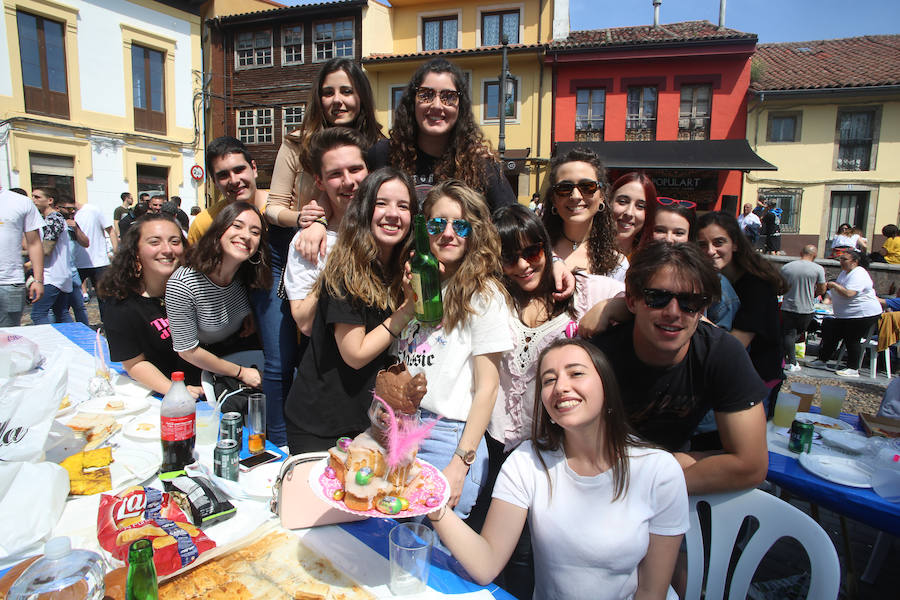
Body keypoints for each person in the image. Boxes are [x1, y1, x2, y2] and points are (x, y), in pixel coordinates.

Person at [427, 338, 688, 599]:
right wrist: (429, 499)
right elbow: (486, 563)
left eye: (576, 373)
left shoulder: (659, 471)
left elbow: (652, 592)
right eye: (549, 380)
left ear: (607, 385)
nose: (561, 387)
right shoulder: (527, 461)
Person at [483, 204, 625, 598]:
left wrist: (608, 307)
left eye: (533, 252)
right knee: (490, 544)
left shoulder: (581, 291)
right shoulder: (495, 296)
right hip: (493, 443)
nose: (523, 265)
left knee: (534, 553)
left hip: (549, 450)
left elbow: (638, 294)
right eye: (509, 257)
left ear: (547, 248)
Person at [590, 242, 768, 494]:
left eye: (690, 301)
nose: (673, 312)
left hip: (653, 485)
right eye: (657, 298)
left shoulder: (720, 353)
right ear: (631, 300)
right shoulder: (598, 357)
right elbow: (576, 451)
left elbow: (751, 465)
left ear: (702, 309)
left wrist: (649, 479)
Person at [396, 180, 513, 518]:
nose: (447, 233)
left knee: (430, 557)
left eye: (459, 224)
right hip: (406, 430)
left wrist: (460, 464)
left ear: (473, 231)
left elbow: (487, 389)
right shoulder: (421, 282)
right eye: (437, 223)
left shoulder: (484, 294)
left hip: (448, 437)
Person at [284, 168, 418, 454]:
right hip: (320, 424)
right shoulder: (346, 268)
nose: (393, 213)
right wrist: (407, 311)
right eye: (381, 203)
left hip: (366, 422)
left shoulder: (402, 269)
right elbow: (354, 354)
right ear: (365, 209)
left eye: (403, 206)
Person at [369, 58, 516, 211]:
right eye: (426, 94)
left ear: (461, 107)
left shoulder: (480, 166)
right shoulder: (384, 155)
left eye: (449, 96)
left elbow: (515, 224)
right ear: (412, 102)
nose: (437, 105)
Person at [269, 58, 383, 236]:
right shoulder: (297, 143)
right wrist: (303, 218)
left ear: (362, 96)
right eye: (328, 93)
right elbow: (273, 207)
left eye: (347, 91)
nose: (337, 100)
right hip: (301, 242)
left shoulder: (378, 146)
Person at [165, 202, 270, 390]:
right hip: (200, 371)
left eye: (255, 232)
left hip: (241, 355)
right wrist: (241, 372)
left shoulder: (246, 275)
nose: (246, 236)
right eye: (237, 226)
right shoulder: (183, 283)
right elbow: (188, 351)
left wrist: (249, 316)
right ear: (219, 230)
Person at [98, 214, 202, 397]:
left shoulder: (197, 287)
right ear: (136, 251)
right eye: (155, 242)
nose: (167, 249)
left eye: (175, 241)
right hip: (167, 396)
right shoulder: (121, 304)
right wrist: (176, 391)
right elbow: (134, 364)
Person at [283, 128, 371, 334]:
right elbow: (305, 324)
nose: (348, 181)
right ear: (320, 182)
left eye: (355, 169)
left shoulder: (387, 225)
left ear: (369, 171)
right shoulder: (306, 242)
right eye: (336, 174)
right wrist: (336, 266)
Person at [697, 212, 786, 412]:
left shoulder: (757, 285)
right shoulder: (715, 280)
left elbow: (736, 344)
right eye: (702, 244)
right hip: (732, 376)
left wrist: (694, 319)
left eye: (719, 242)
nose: (710, 251)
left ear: (735, 244)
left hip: (756, 380)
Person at [542, 148, 627, 281]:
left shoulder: (618, 265)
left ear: (602, 196)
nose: (575, 196)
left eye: (587, 186)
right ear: (553, 198)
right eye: (564, 188)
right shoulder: (535, 253)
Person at [809, 250, 882, 377]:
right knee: (832, 335)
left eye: (845, 259)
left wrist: (834, 285)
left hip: (861, 313)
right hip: (845, 315)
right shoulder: (845, 273)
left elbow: (849, 293)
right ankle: (822, 360)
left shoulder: (859, 273)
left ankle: (853, 368)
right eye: (840, 259)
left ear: (855, 262)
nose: (841, 262)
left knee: (852, 339)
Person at [188, 137, 267, 244]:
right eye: (223, 175)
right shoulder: (203, 225)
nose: (234, 181)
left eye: (239, 170)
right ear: (215, 182)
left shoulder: (286, 207)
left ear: (254, 168)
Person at [30, 187, 74, 325]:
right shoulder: (52, 219)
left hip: (52, 276)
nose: (33, 200)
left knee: (38, 314)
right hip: (59, 274)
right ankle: (72, 342)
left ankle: (47, 344)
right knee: (61, 312)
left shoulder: (53, 219)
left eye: (37, 197)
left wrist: (26, 258)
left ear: (50, 200)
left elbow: (46, 249)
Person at [0, 187, 43, 326]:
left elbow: (34, 242)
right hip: (11, 283)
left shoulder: (21, 202)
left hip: (10, 282)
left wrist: (38, 280)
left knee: (8, 337)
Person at [780, 245, 826, 373]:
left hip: (788, 306)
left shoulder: (786, 267)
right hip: (807, 308)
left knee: (789, 334)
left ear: (801, 253)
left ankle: (786, 357)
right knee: (797, 334)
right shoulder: (818, 269)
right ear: (815, 255)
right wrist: (814, 294)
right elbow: (822, 289)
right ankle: (792, 361)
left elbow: (780, 286)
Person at [73, 198, 116, 314]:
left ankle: (108, 327)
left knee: (105, 299)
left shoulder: (93, 210)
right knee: (72, 300)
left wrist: (117, 254)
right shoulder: (61, 217)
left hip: (99, 262)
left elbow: (111, 231)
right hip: (75, 263)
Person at [55, 196, 91, 325]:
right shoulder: (52, 223)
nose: (72, 212)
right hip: (56, 271)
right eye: (69, 209)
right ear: (58, 208)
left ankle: (85, 331)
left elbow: (86, 243)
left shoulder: (72, 225)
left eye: (74, 209)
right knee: (59, 308)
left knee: (79, 306)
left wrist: (76, 228)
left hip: (72, 270)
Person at [608, 171, 657, 258]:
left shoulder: (651, 262)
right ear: (609, 202)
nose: (629, 213)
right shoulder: (583, 252)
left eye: (640, 206)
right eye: (622, 201)